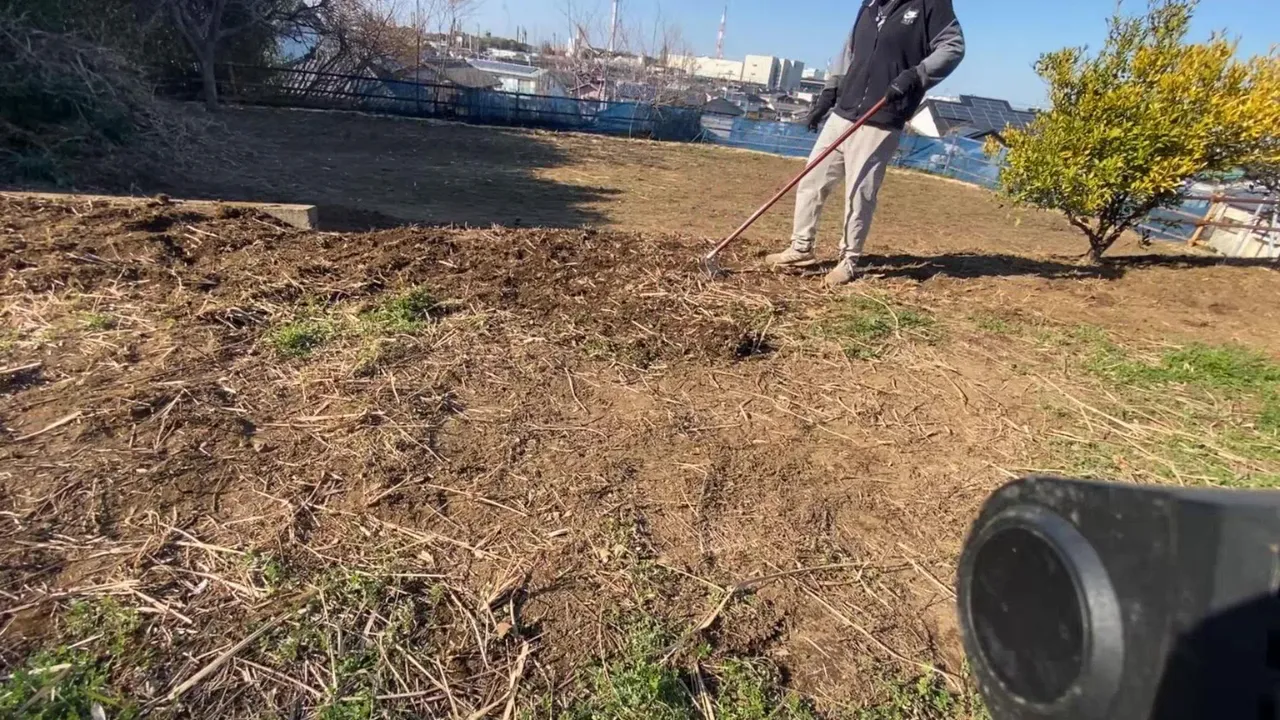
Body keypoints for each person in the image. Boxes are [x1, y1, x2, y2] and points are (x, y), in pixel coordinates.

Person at [766, 0, 965, 285]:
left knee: (859, 193)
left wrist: (916, 75)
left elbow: (953, 47)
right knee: (812, 179)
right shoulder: (869, 5)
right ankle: (801, 248)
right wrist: (830, 92)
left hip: (882, 116)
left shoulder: (929, 4)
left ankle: (848, 260)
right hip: (844, 112)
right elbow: (848, 52)